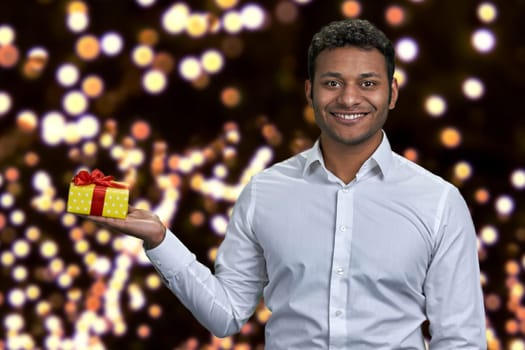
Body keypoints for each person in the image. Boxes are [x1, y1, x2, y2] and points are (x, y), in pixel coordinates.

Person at [86, 19, 487, 349]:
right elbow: (226, 315)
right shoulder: (265, 192)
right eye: (332, 83)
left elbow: (460, 339)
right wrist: (159, 240)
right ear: (311, 92)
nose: (349, 99)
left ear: (392, 93)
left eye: (368, 83)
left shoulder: (438, 202)